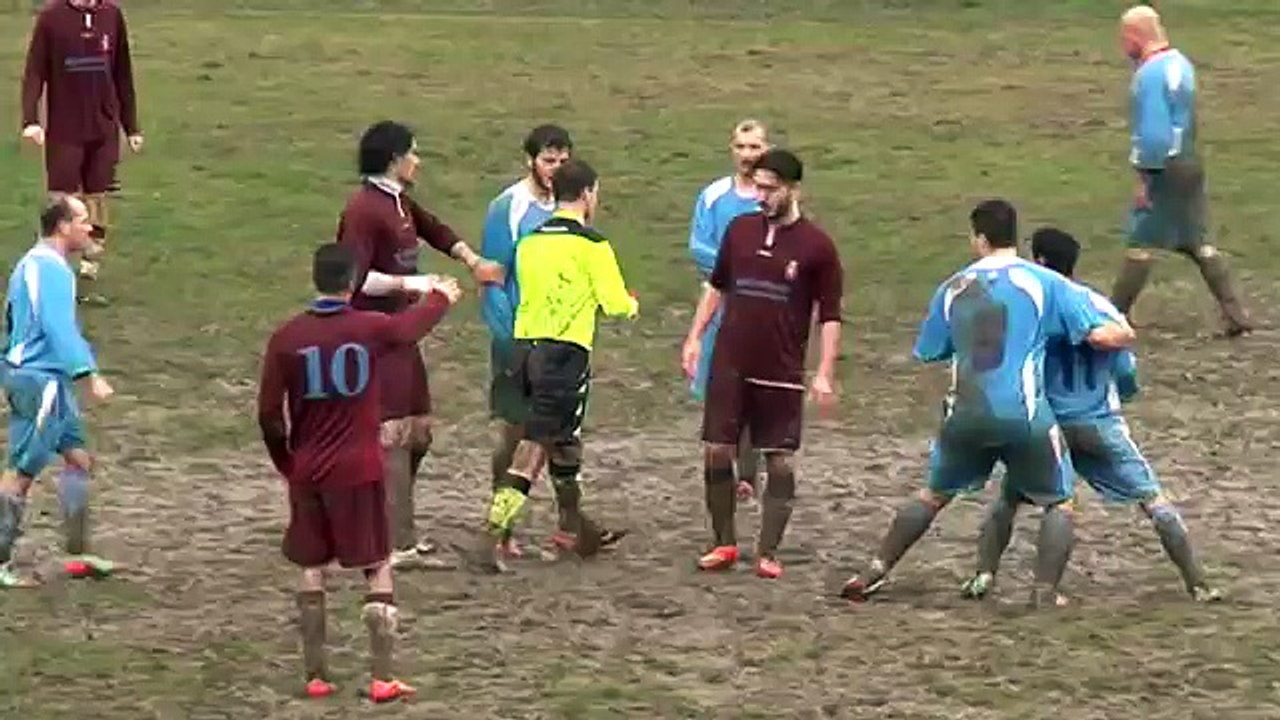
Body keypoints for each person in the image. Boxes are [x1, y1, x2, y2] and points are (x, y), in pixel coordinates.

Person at [838, 199, 1136, 608]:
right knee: (1059, 501)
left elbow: (931, 351)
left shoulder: (952, 287)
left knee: (932, 495)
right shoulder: (1047, 283)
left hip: (965, 411)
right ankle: (1044, 592)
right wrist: (1124, 336)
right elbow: (1098, 333)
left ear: (979, 238)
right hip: (1023, 413)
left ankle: (873, 571)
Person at [962, 227, 1221, 603]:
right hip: (1099, 422)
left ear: (1040, 262)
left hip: (1048, 425)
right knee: (1154, 501)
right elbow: (1125, 370)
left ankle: (985, 575)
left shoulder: (1033, 311)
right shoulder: (1098, 306)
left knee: (1010, 499)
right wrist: (1121, 395)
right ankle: (1199, 584)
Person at [257, 243, 462, 703]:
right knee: (376, 563)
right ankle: (382, 677)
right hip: (360, 467)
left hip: (309, 469)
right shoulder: (369, 327)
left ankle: (316, 676)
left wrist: (287, 463)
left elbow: (269, 415)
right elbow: (408, 330)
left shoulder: (287, 337)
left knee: (312, 565)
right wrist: (440, 297)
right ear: (351, 283)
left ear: (315, 279)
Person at [335, 120, 503, 569]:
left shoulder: (398, 202)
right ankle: (395, 543)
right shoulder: (363, 210)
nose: (418, 160)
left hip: (403, 331)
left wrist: (473, 261)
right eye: (413, 152)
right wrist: (417, 284)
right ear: (394, 159)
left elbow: (435, 229)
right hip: (376, 334)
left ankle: (380, 518)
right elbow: (356, 280)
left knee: (419, 430)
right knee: (395, 432)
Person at [681, 149, 842, 580]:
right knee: (717, 449)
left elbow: (829, 315)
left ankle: (768, 552)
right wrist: (695, 337)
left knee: (780, 460)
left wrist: (825, 371)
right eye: (758, 188)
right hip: (730, 359)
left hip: (781, 366)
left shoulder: (817, 246)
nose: (761, 197)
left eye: (770, 190)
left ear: (793, 189)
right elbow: (716, 287)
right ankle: (724, 543)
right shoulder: (739, 230)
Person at [484, 159, 638, 570]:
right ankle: (494, 528)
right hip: (563, 354)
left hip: (521, 348)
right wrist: (631, 304)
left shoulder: (530, 242)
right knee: (535, 447)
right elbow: (614, 302)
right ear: (587, 193)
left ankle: (576, 530)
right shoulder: (592, 245)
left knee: (563, 440)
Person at [1109, 5, 1252, 337]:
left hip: (1164, 167)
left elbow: (1154, 134)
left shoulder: (1149, 75)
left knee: (1141, 240)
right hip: (1189, 161)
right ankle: (1237, 314)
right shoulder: (1181, 64)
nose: (1123, 45)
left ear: (1135, 35)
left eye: (1124, 38)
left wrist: (1144, 177)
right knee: (1197, 240)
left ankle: (1112, 315)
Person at [0, 195, 116, 589]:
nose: (89, 227)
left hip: (44, 378)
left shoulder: (40, 265)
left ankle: (76, 553)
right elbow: (57, 327)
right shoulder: (49, 269)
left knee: (78, 459)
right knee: (22, 471)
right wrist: (89, 373)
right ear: (63, 226)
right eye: (82, 220)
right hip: (40, 380)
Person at [480, 124, 572, 558]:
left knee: (559, 433)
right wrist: (512, 335)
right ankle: (502, 527)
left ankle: (569, 525)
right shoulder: (509, 207)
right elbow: (493, 276)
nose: (556, 169)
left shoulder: (572, 205)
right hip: (518, 339)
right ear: (530, 161)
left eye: (563, 161)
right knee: (515, 432)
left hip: (561, 340)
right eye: (548, 160)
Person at [21, 0, 143, 303]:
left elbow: (123, 74)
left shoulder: (111, 15)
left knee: (97, 195)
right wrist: (31, 120)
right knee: (62, 197)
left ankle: (91, 259)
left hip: (103, 126)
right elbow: (35, 71)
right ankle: (52, 261)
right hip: (66, 127)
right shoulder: (51, 18)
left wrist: (131, 127)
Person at [687, 119, 769, 501]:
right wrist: (735, 268)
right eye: (741, 147)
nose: (747, 155)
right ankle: (727, 464)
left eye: (754, 147)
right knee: (720, 388)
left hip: (764, 309)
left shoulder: (773, 197)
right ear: (731, 149)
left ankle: (747, 474)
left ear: (765, 150)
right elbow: (698, 247)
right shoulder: (714, 196)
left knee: (756, 391)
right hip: (720, 306)